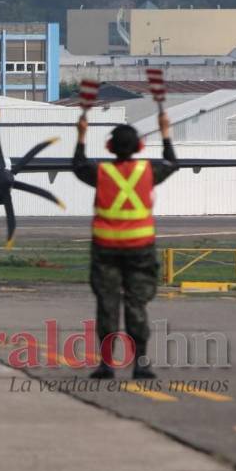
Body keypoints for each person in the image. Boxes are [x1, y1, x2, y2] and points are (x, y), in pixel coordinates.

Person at [73, 111, 177, 379]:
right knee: (136, 304)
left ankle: (107, 364)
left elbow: (78, 164)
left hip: (106, 250)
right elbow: (171, 162)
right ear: (140, 147)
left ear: (109, 147)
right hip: (140, 250)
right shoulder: (148, 171)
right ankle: (141, 364)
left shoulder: (101, 172)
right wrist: (165, 132)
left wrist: (81, 135)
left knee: (107, 304)